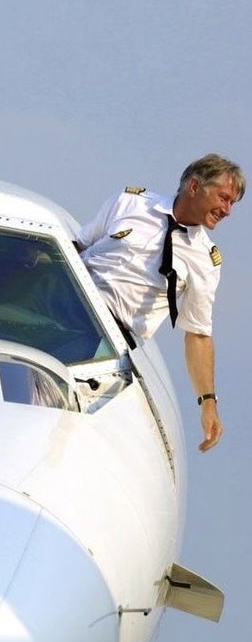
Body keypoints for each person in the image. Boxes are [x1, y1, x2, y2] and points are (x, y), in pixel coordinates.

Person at [76, 154, 245, 453]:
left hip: (105, 339)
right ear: (194, 186)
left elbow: (198, 333)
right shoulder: (130, 202)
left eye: (233, 203)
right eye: (224, 198)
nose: (228, 210)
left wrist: (208, 403)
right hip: (67, 303)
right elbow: (80, 246)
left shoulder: (205, 259)